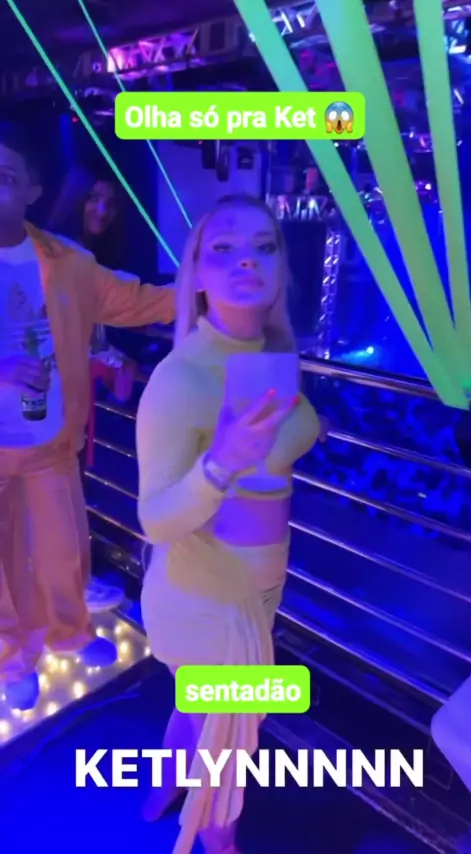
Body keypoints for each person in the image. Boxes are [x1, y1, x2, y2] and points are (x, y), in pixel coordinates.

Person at [136, 194, 326, 853]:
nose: (246, 259)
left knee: (201, 711)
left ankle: (160, 793)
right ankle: (217, 842)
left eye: (263, 246)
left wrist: (305, 426)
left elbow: (282, 441)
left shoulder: (271, 359)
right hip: (203, 601)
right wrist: (219, 465)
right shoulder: (180, 379)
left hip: (257, 590)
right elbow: (154, 519)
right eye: (223, 248)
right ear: (196, 273)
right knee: (228, 744)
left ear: (280, 268)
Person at [0, 122, 175, 712]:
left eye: (4, 177)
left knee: (64, 546)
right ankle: (11, 657)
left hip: (50, 440)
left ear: (33, 190)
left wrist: (204, 285)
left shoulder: (67, 261)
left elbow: (135, 300)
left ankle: (69, 633)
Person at [47, 165, 135, 613]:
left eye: (111, 203)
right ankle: (68, 587)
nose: (102, 210)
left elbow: (91, 336)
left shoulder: (85, 257)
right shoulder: (59, 254)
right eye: (93, 199)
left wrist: (115, 357)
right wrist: (113, 359)